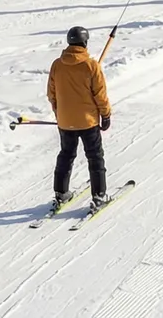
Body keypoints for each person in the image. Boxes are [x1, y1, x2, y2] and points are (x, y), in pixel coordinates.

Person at [48, 26, 111, 213]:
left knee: (66, 155)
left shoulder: (57, 65)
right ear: (85, 42)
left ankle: (61, 193)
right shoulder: (91, 66)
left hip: (65, 122)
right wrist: (106, 115)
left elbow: (51, 93)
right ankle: (99, 195)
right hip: (88, 121)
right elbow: (100, 95)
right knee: (95, 157)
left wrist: (60, 113)